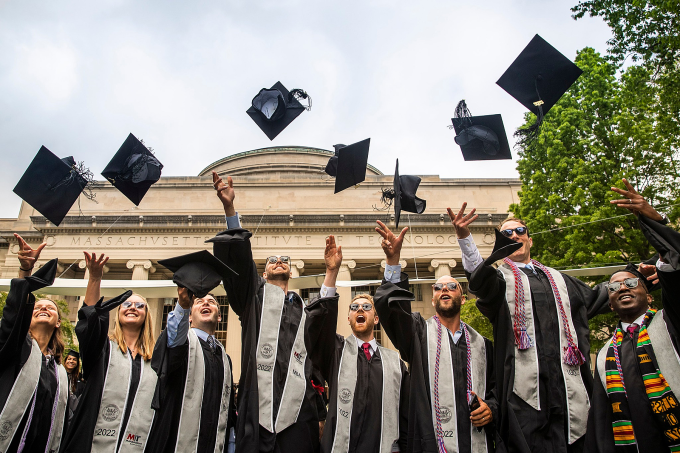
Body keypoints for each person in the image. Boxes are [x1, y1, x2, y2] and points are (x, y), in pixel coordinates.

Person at [451, 201, 613, 453]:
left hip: (571, 393)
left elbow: (598, 297)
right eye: (507, 233)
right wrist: (465, 237)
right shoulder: (499, 281)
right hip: (525, 400)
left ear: (529, 239)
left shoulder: (561, 281)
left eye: (520, 231)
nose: (514, 235)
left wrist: (640, 276)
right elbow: (479, 281)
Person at [208, 171, 332, 452]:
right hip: (258, 409)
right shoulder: (254, 300)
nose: (279, 262)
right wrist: (230, 209)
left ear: (291, 270)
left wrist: (320, 411)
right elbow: (240, 268)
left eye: (284, 260)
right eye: (272, 260)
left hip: (299, 413)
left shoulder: (304, 310)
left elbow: (317, 355)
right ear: (263, 272)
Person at [373, 221, 498, 453]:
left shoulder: (482, 345)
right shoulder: (418, 334)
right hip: (430, 443)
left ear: (463, 298)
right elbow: (392, 313)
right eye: (438, 287)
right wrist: (393, 262)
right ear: (433, 299)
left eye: (452, 286)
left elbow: (497, 389)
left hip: (476, 443)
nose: (444, 290)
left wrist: (491, 408)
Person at [586, 180, 680, 453]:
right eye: (613, 288)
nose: (622, 288)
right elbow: (601, 422)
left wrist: (656, 221)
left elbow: (676, 263)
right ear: (611, 305)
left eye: (631, 283)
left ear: (650, 294)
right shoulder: (605, 355)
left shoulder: (671, 321)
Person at [306, 235, 410, 453]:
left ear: (377, 318)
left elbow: (407, 415)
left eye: (366, 307)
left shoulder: (395, 363)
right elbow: (317, 329)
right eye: (354, 308)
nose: (360, 310)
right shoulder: (336, 352)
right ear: (348, 319)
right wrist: (331, 273)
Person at [60, 252, 157, 453]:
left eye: (140, 305)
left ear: (147, 315)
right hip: (92, 442)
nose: (133, 308)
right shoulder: (103, 349)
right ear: (118, 313)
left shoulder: (154, 360)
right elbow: (89, 325)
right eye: (126, 304)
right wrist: (95, 278)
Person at [147, 251, 236, 453]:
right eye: (199, 301)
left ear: (220, 317)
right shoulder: (181, 343)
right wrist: (182, 305)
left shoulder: (224, 358)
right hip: (175, 441)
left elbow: (228, 408)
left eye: (212, 302)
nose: (205, 302)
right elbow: (174, 341)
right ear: (189, 316)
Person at [0, 234, 68, 453]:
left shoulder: (58, 370)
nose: (43, 308)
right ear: (27, 319)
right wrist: (26, 272)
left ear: (58, 323)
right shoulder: (16, 348)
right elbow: (14, 316)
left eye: (50, 308)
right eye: (37, 307)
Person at [63, 350, 86, 421]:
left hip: (74, 412)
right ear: (65, 361)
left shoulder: (80, 379)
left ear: (77, 363)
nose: (71, 361)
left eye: (74, 359)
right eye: (69, 359)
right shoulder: (59, 374)